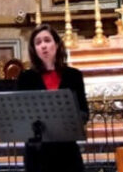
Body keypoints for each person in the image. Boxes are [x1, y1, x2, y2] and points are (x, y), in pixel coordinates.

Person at [16, 24, 89, 172]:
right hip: (37, 152)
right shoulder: (26, 78)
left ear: (56, 44)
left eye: (47, 40)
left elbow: (84, 112)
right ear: (34, 49)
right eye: (38, 42)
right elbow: (20, 115)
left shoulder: (73, 75)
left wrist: (70, 120)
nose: (43, 46)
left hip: (66, 150)